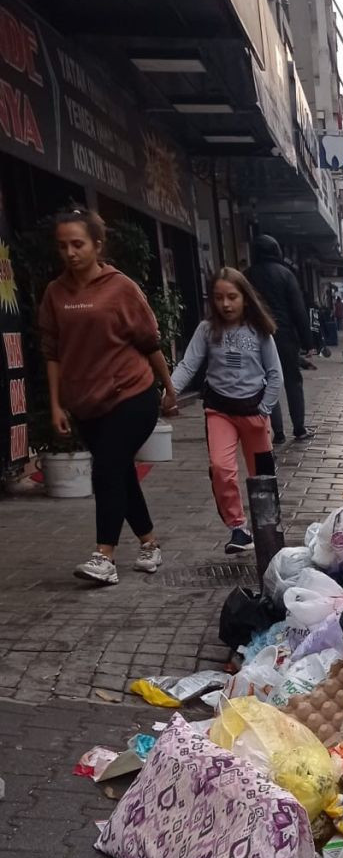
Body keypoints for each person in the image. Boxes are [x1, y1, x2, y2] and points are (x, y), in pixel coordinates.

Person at [38, 207, 176, 586]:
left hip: (132, 394)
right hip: (86, 401)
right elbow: (51, 351)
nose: (70, 252)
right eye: (63, 245)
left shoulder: (121, 288)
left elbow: (150, 343)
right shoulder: (55, 293)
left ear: (97, 245)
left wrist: (169, 388)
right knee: (118, 471)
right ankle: (149, 543)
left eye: (78, 244)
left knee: (106, 470)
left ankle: (105, 557)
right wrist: (55, 404)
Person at [165, 267, 282, 554]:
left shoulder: (260, 331)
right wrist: (170, 393)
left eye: (232, 297)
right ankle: (238, 528)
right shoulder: (206, 330)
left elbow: (275, 373)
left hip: (254, 412)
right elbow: (189, 364)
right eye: (218, 298)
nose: (225, 304)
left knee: (262, 474)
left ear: (245, 298)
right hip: (219, 411)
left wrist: (264, 409)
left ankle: (266, 526)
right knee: (221, 468)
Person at [245, 233, 312, 444]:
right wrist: (308, 341)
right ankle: (299, 428)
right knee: (293, 380)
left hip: (256, 335)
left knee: (266, 383)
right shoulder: (286, 274)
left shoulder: (246, 276)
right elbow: (298, 310)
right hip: (284, 336)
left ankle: (278, 431)